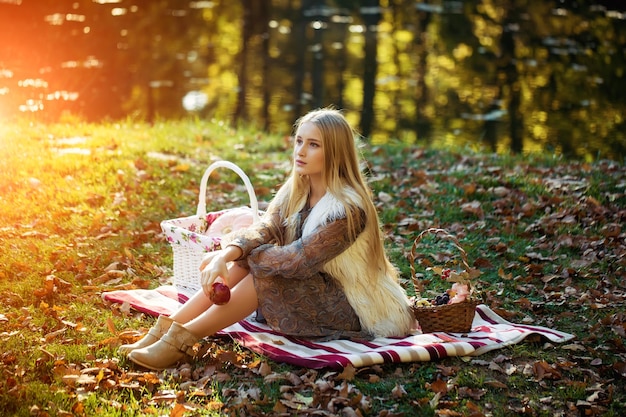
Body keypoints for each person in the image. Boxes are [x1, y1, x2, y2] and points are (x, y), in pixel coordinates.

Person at [120, 108, 415, 370]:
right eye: (299, 141)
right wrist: (227, 254)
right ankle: (166, 331)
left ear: (334, 153)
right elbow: (266, 228)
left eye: (313, 145)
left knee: (265, 270)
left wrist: (245, 256)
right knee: (255, 262)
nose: (300, 151)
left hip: (352, 306)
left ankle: (182, 342)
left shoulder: (348, 209)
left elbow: (298, 261)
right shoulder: (297, 188)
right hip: (314, 286)